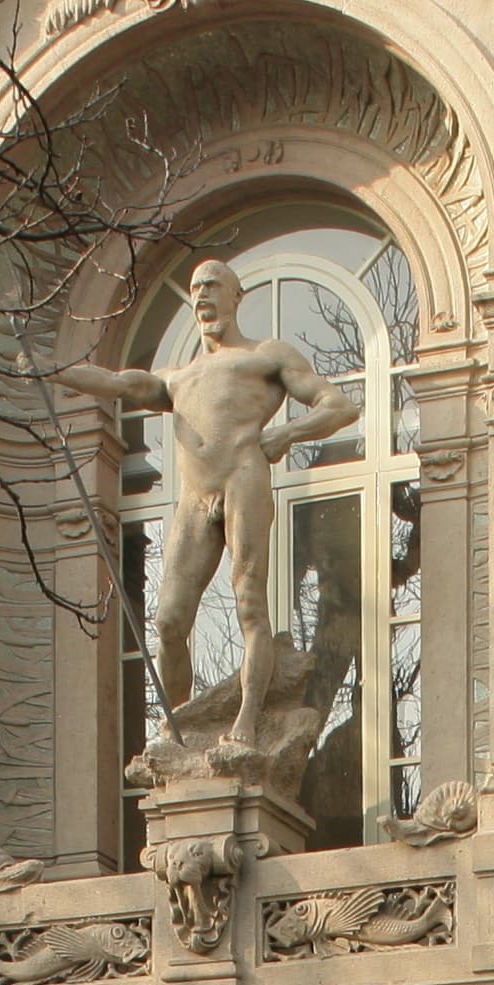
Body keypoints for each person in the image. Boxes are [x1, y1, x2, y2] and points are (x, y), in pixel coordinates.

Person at [48, 259, 360, 752]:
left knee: (249, 606)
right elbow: (121, 383)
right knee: (170, 620)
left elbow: (340, 405)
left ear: (237, 296)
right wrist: (57, 372)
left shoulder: (264, 355)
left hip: (243, 480)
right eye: (195, 289)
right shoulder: (179, 377)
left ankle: (247, 721)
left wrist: (288, 431)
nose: (202, 297)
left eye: (213, 286)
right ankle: (182, 729)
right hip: (195, 498)